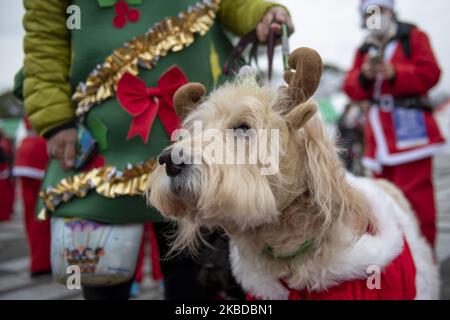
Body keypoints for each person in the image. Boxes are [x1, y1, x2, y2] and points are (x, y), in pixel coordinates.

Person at [21, 0, 293, 299]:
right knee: (100, 276)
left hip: (200, 132)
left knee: (199, 281)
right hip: (103, 142)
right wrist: (55, 118)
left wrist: (262, 13)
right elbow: (45, 39)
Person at [343, 0, 445, 248]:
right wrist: (365, 76)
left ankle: (425, 259)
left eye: (380, 11)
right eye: (370, 13)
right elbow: (350, 87)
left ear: (390, 11)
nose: (375, 18)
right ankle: (401, 258)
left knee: (417, 201)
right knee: (385, 203)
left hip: (411, 131)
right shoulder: (364, 49)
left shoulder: (413, 36)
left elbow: (431, 73)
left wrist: (395, 73)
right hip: (378, 138)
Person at [12, 117, 52, 276]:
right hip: (43, 148)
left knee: (32, 215)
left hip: (26, 150)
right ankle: (43, 261)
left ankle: (38, 260)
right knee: (44, 216)